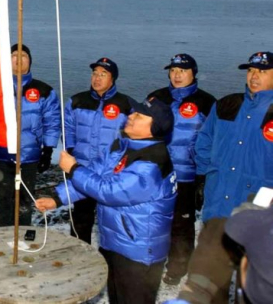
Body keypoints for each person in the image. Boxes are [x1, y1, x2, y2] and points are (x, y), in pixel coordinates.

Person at [36, 97, 177, 304]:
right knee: (116, 298)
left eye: (139, 116)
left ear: (154, 128)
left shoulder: (152, 163)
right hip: (114, 242)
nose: (131, 116)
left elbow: (108, 191)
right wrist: (58, 199)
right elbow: (95, 174)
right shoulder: (122, 146)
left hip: (138, 252)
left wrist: (74, 169)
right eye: (133, 112)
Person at [177, 52, 273, 304]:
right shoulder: (226, 104)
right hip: (218, 206)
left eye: (262, 71)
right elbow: (204, 141)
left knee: (252, 285)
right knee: (210, 282)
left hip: (257, 215)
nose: (254, 76)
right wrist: (206, 175)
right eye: (251, 70)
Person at [147, 54, 216, 285]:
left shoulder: (207, 102)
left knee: (182, 224)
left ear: (193, 73)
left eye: (183, 70)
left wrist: (204, 176)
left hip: (187, 176)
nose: (177, 75)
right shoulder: (156, 98)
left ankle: (177, 268)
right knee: (154, 221)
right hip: (157, 174)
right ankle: (152, 262)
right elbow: (140, 131)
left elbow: (214, 141)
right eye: (173, 70)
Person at [0, 43, 61, 226]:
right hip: (2, 154)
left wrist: (48, 151)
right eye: (14, 55)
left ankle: (22, 234)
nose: (19, 59)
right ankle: (3, 234)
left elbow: (52, 122)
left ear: (30, 61)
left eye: (23, 56)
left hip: (30, 156)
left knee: (24, 201)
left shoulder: (44, 91)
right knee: (4, 200)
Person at [63, 57, 132, 244]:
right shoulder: (77, 101)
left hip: (111, 173)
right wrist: (71, 153)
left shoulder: (126, 104)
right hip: (83, 168)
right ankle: (78, 251)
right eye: (94, 73)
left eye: (103, 74)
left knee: (111, 219)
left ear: (113, 78)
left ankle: (110, 255)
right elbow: (68, 129)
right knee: (80, 217)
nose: (97, 78)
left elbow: (134, 136)